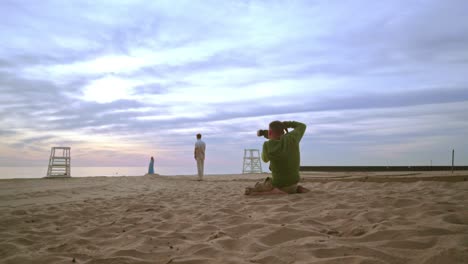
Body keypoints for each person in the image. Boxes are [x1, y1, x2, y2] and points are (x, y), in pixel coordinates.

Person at [245, 121, 309, 195]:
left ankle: (274, 192)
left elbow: (265, 159)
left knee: (254, 188)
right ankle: (296, 189)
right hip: (293, 183)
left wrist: (268, 137)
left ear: (270, 132)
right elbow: (302, 125)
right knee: (290, 183)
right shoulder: (292, 138)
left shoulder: (267, 145)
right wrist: (286, 124)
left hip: (279, 185)